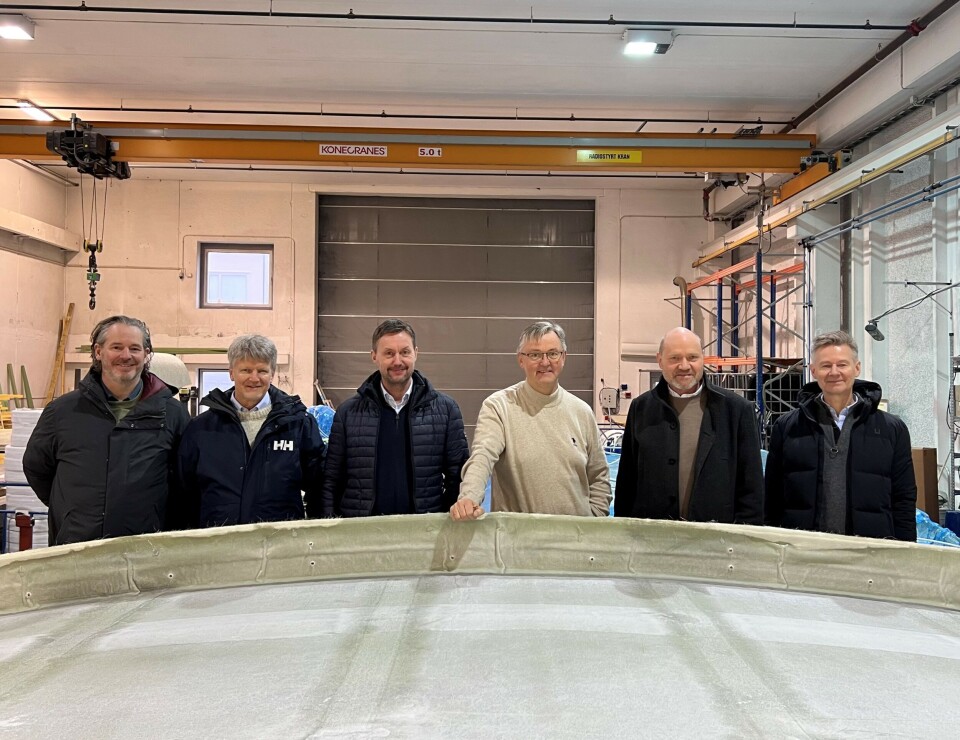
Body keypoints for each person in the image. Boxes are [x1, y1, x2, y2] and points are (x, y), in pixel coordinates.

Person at [23, 315, 190, 545]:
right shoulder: (62, 411)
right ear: (98, 351)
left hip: (145, 548)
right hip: (77, 546)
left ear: (146, 354)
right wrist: (70, 509)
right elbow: (37, 467)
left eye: (135, 348)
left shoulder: (172, 414)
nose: (126, 355)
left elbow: (184, 480)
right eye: (116, 347)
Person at [450, 321, 611, 520]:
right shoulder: (498, 406)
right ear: (521, 360)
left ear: (563, 357)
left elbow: (598, 475)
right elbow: (482, 456)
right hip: (518, 537)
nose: (545, 362)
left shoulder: (582, 412)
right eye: (535, 355)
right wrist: (469, 497)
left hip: (576, 536)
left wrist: (594, 518)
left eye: (553, 353)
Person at [765, 330, 916, 540]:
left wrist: (906, 547)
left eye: (842, 364)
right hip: (803, 549)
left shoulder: (891, 429)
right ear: (814, 371)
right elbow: (772, 496)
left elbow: (904, 497)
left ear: (857, 368)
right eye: (826, 366)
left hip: (870, 549)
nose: (834, 372)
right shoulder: (787, 427)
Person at [614, 327, 763, 524]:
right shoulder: (640, 409)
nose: (684, 366)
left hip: (717, 537)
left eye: (692, 357)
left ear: (703, 359)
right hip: (653, 536)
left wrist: (742, 535)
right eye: (674, 358)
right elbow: (626, 482)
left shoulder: (737, 411)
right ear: (660, 360)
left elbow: (752, 488)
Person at [321, 319, 469, 516]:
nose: (398, 361)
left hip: (425, 528)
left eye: (405, 352)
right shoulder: (348, 413)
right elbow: (331, 480)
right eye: (389, 353)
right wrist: (330, 525)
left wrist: (447, 523)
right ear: (374, 356)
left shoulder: (447, 410)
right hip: (361, 529)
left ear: (416, 353)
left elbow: (458, 476)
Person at [177, 334, 325, 527]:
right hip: (218, 539)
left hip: (279, 539)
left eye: (262, 371)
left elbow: (319, 485)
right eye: (246, 370)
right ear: (231, 373)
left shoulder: (298, 424)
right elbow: (184, 492)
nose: (254, 378)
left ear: (272, 374)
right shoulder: (201, 429)